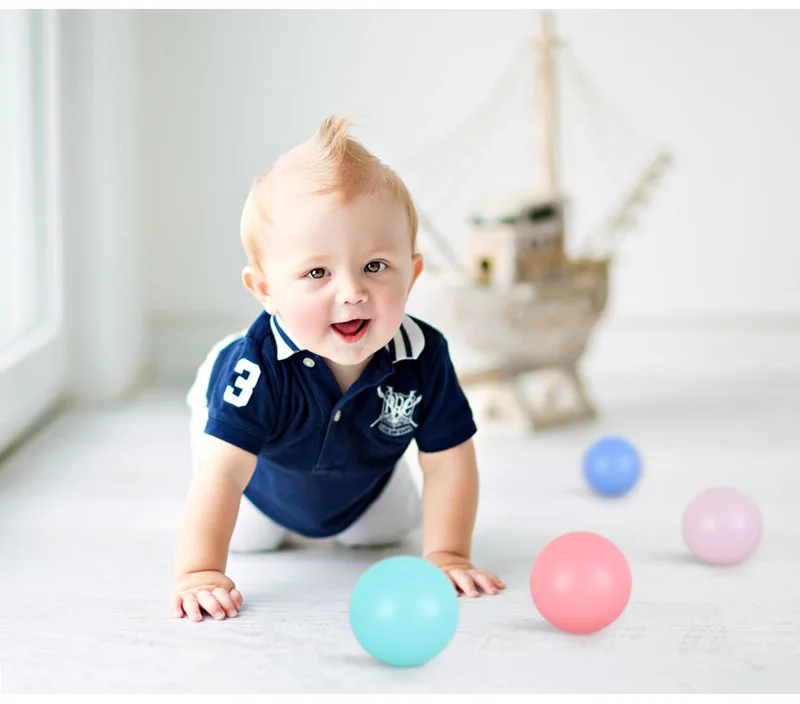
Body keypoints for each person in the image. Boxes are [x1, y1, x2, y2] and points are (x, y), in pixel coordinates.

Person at [172, 115, 505, 622]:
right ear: (266, 290)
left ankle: (356, 507)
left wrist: (447, 554)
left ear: (412, 274)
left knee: (384, 532)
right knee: (251, 540)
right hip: (261, 480)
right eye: (317, 272)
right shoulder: (257, 369)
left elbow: (448, 461)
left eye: (375, 266)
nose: (352, 292)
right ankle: (210, 406)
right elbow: (222, 476)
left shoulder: (424, 354)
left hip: (361, 476)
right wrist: (198, 571)